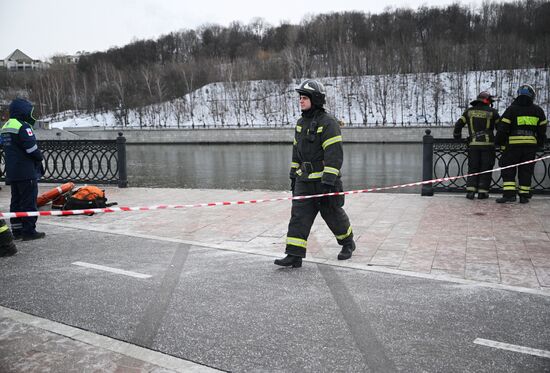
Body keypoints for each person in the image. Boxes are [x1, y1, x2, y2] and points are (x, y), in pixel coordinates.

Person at [274, 79, 355, 268]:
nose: (300, 101)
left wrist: (329, 180)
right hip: (304, 181)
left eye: (304, 98)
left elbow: (334, 154)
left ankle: (348, 243)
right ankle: (294, 254)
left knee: (333, 214)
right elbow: (296, 153)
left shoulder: (328, 123)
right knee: (298, 217)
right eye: (300, 98)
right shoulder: (301, 123)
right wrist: (293, 176)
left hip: (325, 182)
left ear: (315, 99)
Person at [1, 98, 46, 240]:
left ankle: (17, 230)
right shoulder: (24, 127)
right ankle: (29, 231)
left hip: (12, 172)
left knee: (16, 201)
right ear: (24, 112)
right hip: (26, 171)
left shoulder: (6, 126)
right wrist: (40, 157)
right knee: (28, 202)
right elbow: (31, 149)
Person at [494, 84, 547, 203]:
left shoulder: (512, 109)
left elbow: (502, 128)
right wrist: (540, 144)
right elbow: (542, 131)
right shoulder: (538, 110)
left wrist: (498, 142)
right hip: (530, 147)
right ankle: (524, 196)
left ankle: (509, 195)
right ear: (532, 96)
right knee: (526, 171)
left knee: (508, 170)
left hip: (513, 146)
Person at [453, 91, 500, 199]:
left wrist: (457, 137)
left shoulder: (469, 112)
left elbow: (458, 124)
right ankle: (482, 192)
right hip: (488, 145)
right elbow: (500, 128)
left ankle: (470, 191)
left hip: (473, 145)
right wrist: (500, 142)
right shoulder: (493, 112)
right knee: (486, 168)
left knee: (473, 167)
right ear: (487, 101)